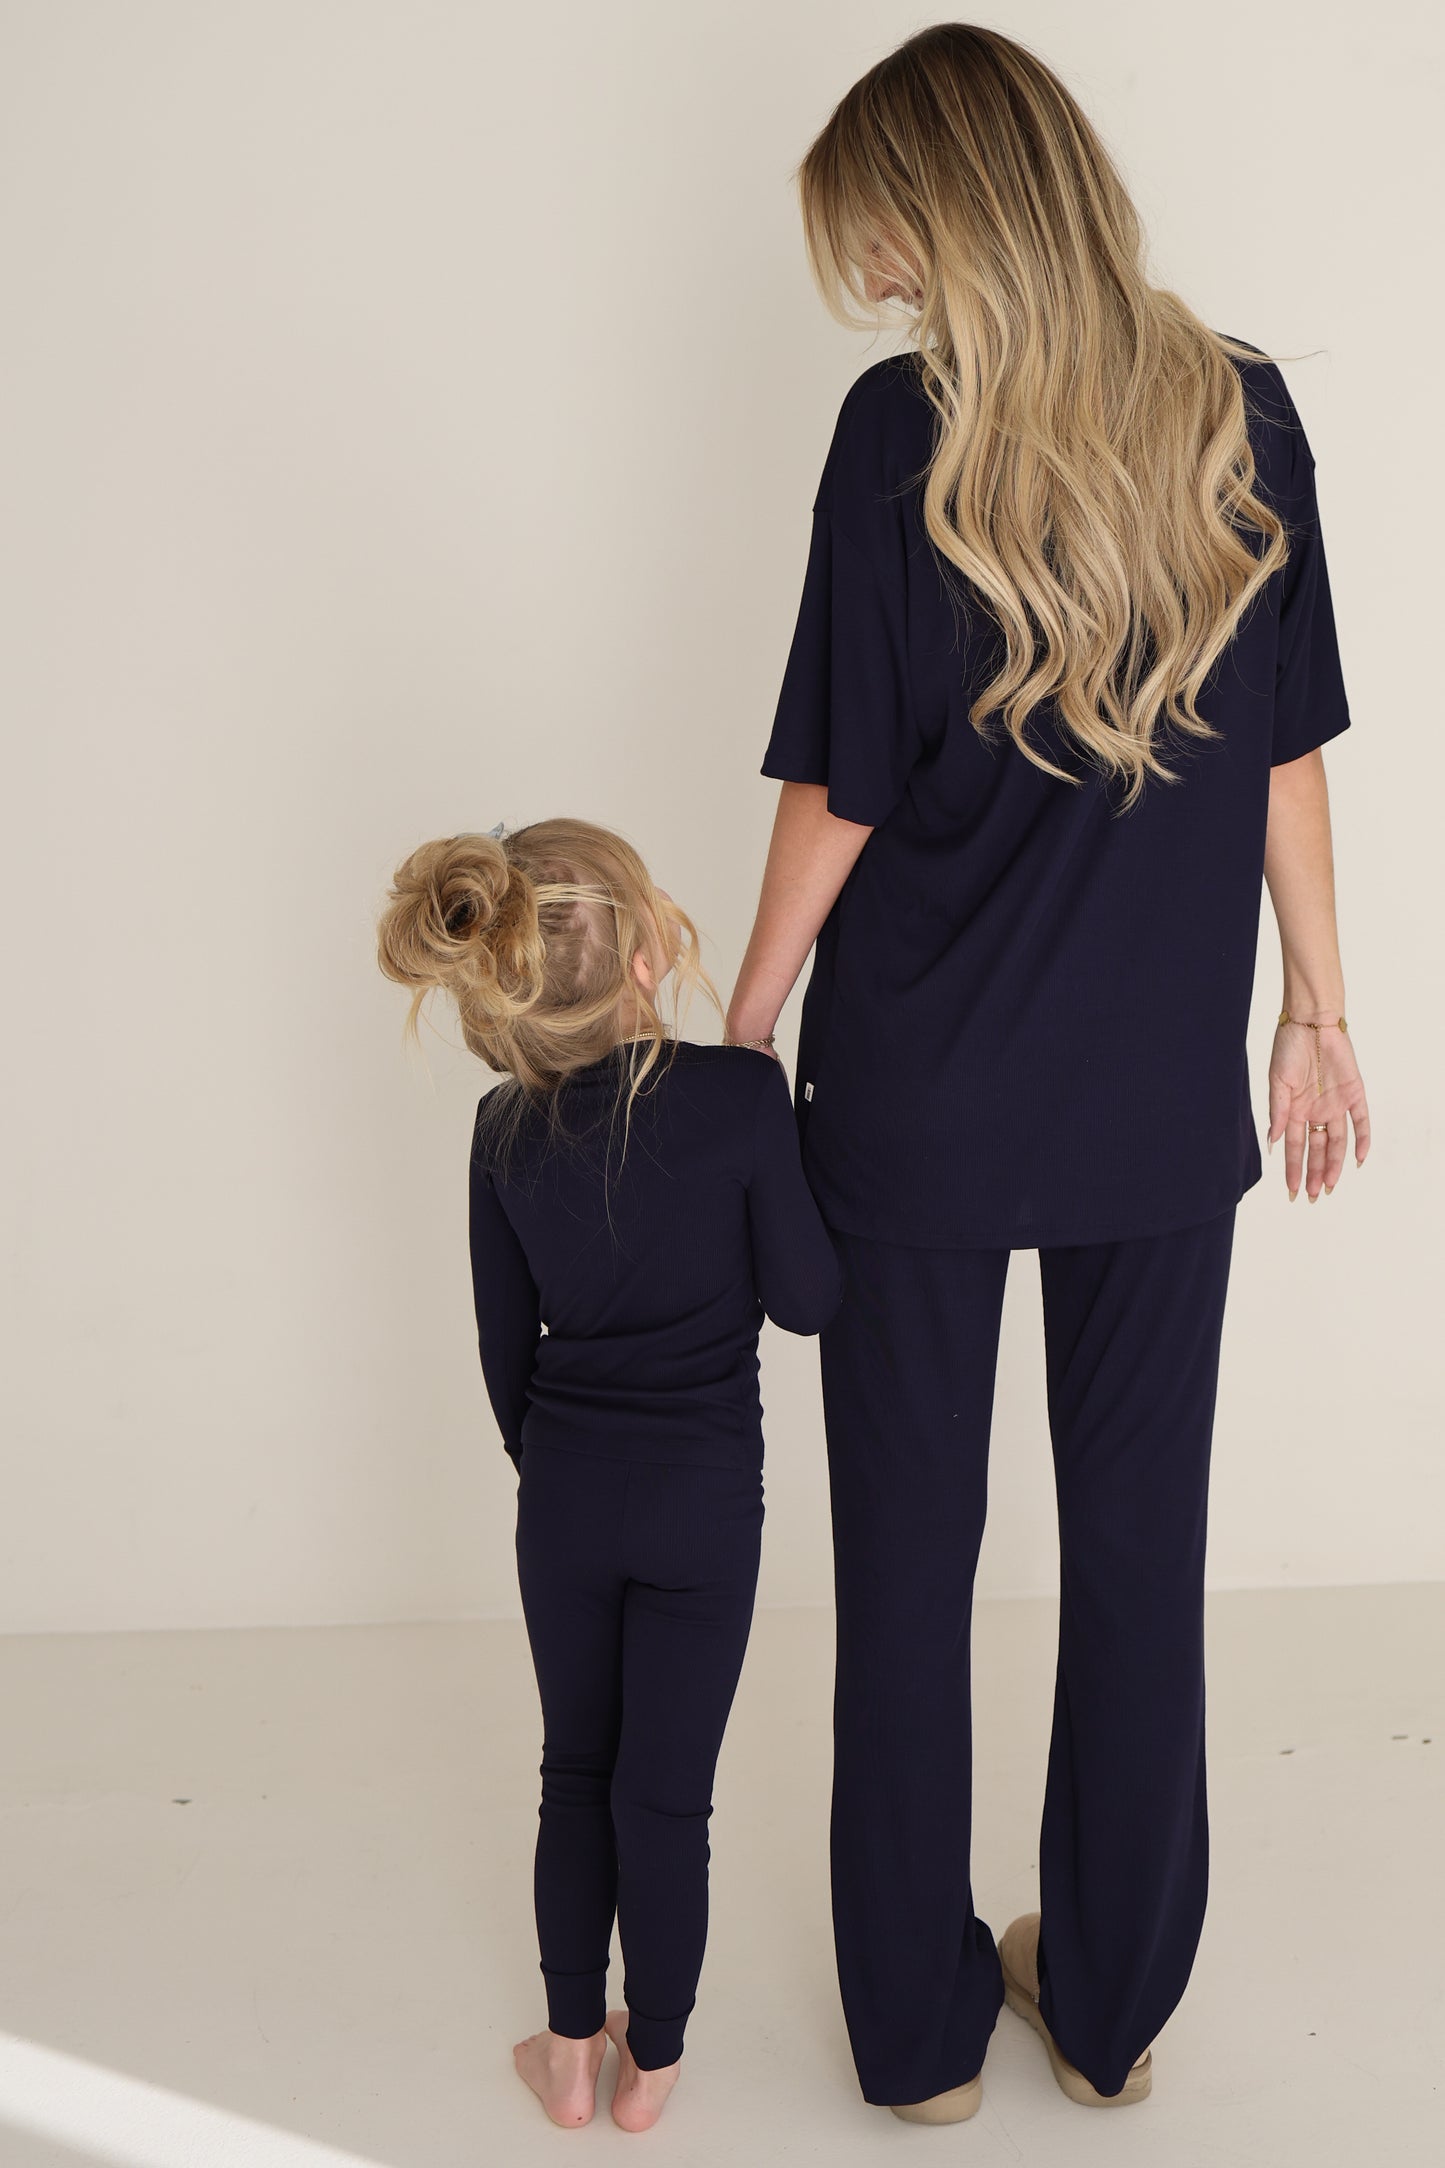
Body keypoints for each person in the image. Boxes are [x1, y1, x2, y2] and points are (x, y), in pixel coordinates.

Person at [726, 22, 1372, 2126]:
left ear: (958, 209)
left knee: (904, 1572)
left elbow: (838, 781)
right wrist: (1316, 1005)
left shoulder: (889, 438)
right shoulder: (1239, 413)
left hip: (911, 1094)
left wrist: (743, 1023)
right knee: (1138, 1561)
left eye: (893, 241)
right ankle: (1104, 2004)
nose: (888, 288)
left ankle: (918, 2042)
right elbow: (1285, 750)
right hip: (1149, 1111)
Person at [376, 817, 842, 2132]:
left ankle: (569, 2051)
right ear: (645, 952)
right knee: (666, 1794)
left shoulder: (498, 1132)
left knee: (574, 1769)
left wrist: (557, 1471)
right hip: (704, 1508)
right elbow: (809, 1304)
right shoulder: (740, 1098)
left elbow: (498, 1348)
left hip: (565, 1501)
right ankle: (658, 2069)